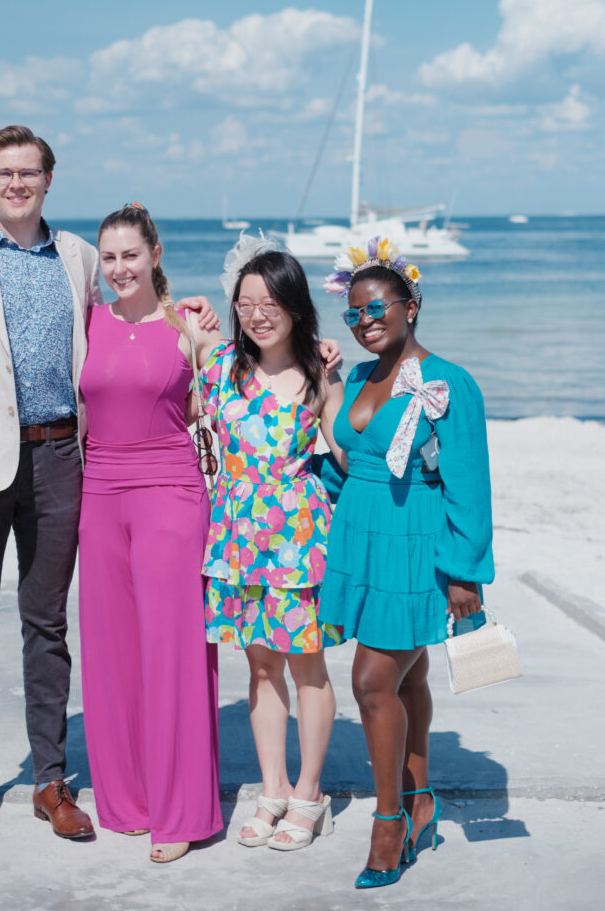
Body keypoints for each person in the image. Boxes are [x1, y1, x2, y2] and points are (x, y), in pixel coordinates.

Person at [0, 132, 216, 851]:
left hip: (62, 461)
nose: (16, 183)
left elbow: (135, 327)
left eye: (29, 171)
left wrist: (192, 316)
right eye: (3, 172)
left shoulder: (79, 256)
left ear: (49, 178)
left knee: (47, 625)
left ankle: (51, 780)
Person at [319, 236, 495, 890]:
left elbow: (468, 484)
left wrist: (465, 573)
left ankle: (388, 823)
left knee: (371, 683)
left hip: (414, 544)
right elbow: (353, 464)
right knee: (407, 680)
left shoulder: (449, 383)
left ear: (410, 306)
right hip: (361, 539)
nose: (365, 321)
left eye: (377, 308)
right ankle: (421, 805)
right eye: (354, 313)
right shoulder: (358, 378)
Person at [76, 203, 224, 864]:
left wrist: (320, 357)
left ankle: (181, 811)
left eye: (130, 255)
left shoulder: (189, 324)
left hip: (170, 494)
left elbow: (246, 381)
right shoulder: (87, 321)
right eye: (108, 258)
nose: (119, 268)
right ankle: (130, 800)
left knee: (172, 650)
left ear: (155, 255)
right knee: (111, 649)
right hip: (99, 496)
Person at [199, 239, 345, 852]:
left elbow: (345, 451)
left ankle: (310, 794)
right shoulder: (219, 365)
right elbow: (160, 332)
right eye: (246, 303)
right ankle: (273, 789)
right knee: (259, 667)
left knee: (307, 664)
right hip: (237, 537)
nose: (257, 315)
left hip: (298, 541)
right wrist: (187, 308)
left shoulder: (319, 373)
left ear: (294, 304)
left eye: (270, 303)